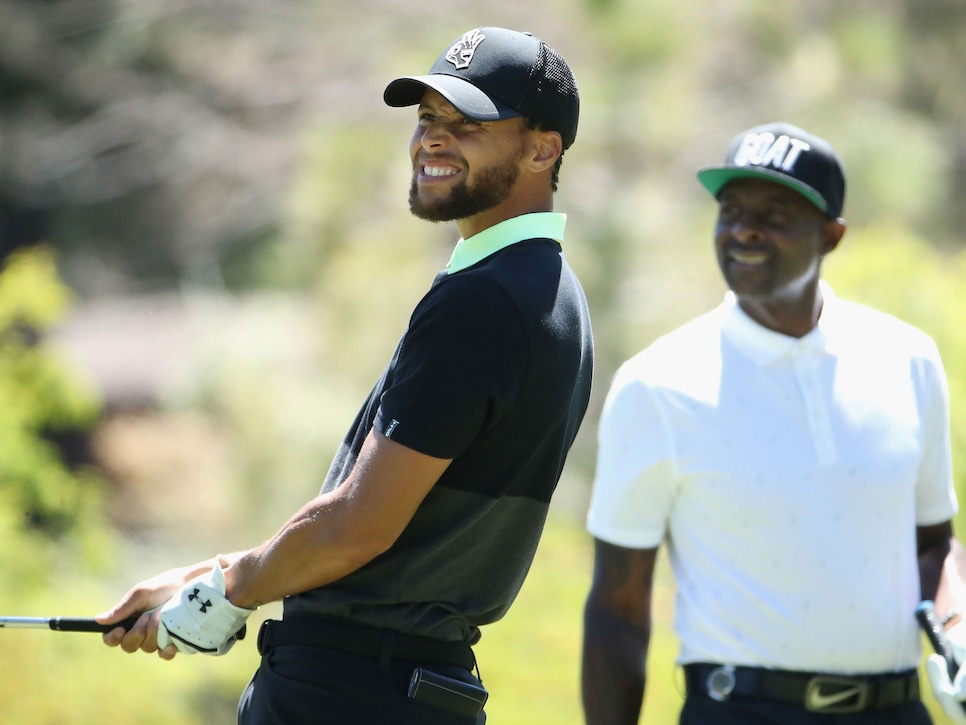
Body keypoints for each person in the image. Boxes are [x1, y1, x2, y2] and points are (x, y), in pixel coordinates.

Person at [97, 26, 593, 725]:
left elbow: (359, 526)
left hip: (351, 690)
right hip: (410, 686)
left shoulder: (484, 299)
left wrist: (227, 591)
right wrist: (207, 575)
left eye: (468, 124)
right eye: (427, 119)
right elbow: (387, 519)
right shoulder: (550, 291)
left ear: (543, 148)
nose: (433, 140)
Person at [581, 121, 966, 724]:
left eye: (774, 213)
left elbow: (933, 543)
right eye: (730, 210)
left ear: (831, 234)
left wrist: (957, 623)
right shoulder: (657, 384)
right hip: (740, 712)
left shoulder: (907, 358)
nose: (743, 229)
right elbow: (617, 607)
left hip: (895, 711)